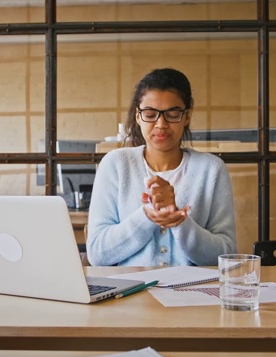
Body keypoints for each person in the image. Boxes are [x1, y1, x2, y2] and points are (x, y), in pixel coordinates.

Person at [86, 68, 236, 266]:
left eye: (173, 114)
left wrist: (180, 222)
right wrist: (146, 216)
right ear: (138, 116)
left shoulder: (211, 169)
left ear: (187, 116)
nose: (161, 124)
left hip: (192, 294)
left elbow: (227, 255)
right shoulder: (115, 165)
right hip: (130, 292)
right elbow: (97, 254)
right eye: (150, 114)